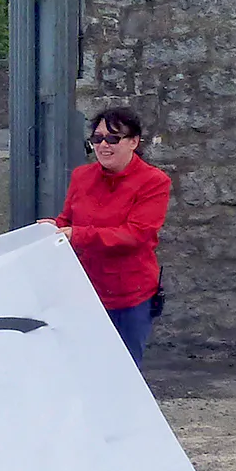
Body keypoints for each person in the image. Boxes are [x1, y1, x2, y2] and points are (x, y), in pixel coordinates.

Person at [39, 106, 171, 366]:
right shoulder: (81, 176)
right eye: (97, 138)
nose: (103, 145)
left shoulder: (154, 182)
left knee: (124, 368)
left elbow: (136, 234)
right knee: (82, 365)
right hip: (84, 291)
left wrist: (77, 235)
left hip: (128, 296)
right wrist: (52, 227)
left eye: (113, 138)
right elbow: (68, 219)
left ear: (134, 142)